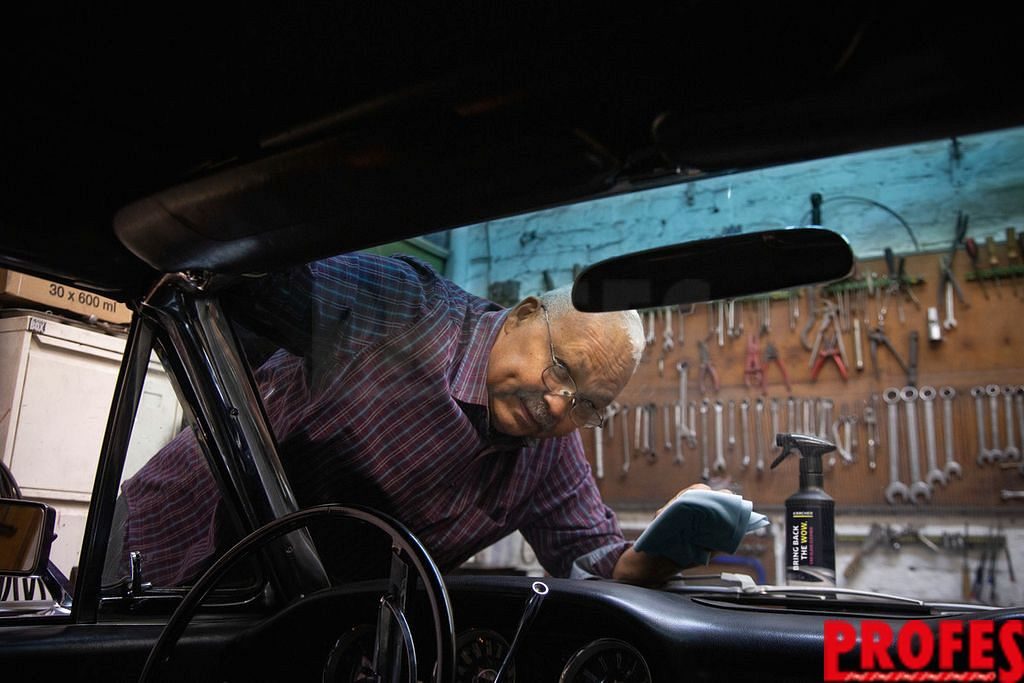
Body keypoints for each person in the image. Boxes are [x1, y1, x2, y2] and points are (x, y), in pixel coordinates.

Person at [111, 252, 699, 587]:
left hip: (292, 618)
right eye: (561, 370)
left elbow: (593, 559)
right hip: (162, 543)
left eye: (587, 405)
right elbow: (242, 277)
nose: (558, 406)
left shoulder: (548, 454)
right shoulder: (404, 309)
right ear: (522, 316)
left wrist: (676, 540)